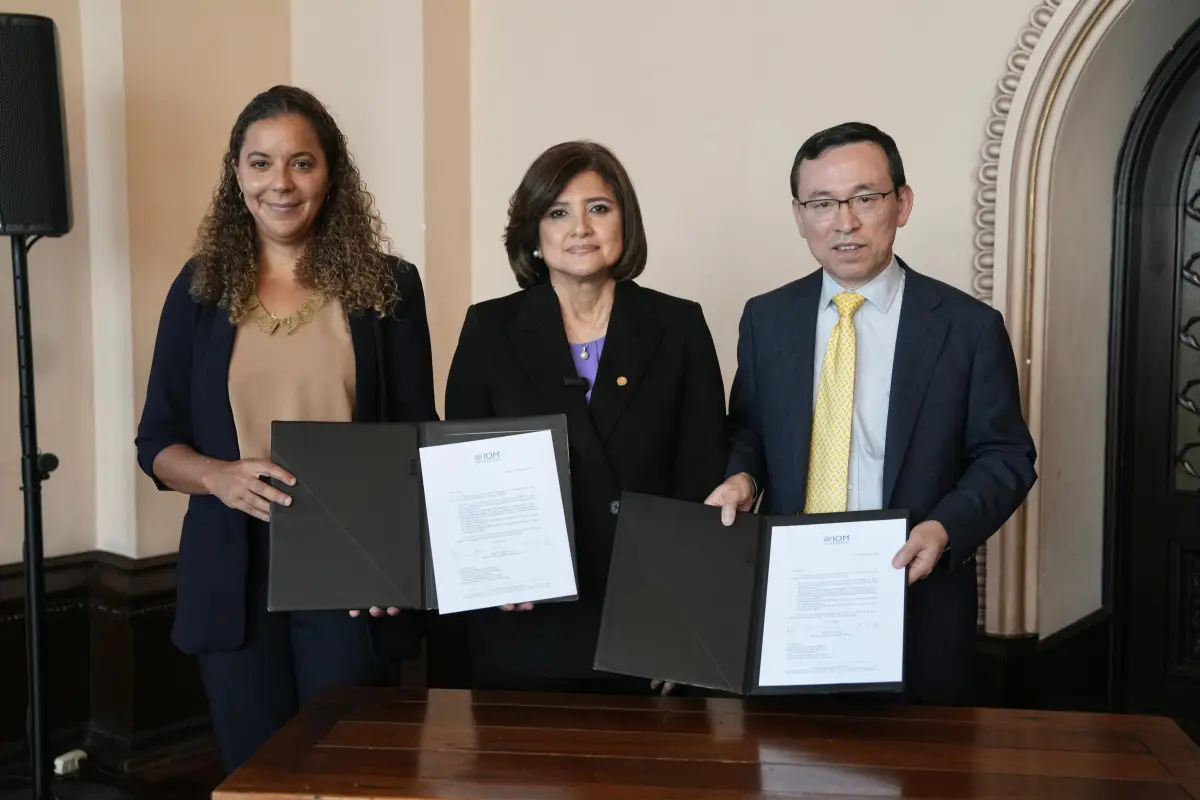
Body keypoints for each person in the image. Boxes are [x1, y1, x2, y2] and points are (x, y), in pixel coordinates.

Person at [134, 85, 437, 774]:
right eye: (261, 162)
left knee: (354, 774)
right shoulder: (199, 290)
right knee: (258, 772)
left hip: (354, 566)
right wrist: (216, 475)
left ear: (332, 174)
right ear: (236, 174)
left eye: (302, 163)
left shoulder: (387, 288)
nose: (281, 182)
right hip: (232, 572)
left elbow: (418, 437)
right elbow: (156, 444)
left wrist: (396, 558)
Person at [705, 122, 1037, 706]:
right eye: (823, 203)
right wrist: (742, 477)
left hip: (915, 598)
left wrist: (944, 529)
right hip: (791, 603)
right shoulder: (767, 319)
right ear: (799, 215)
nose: (845, 221)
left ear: (901, 203)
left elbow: (1006, 455)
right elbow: (749, 429)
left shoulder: (967, 328)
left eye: (865, 198)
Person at [440, 140, 727, 694]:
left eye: (599, 208)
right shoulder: (489, 330)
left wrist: (686, 630)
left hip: (646, 627)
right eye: (557, 212)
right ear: (534, 233)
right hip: (523, 622)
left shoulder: (679, 325)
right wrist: (487, 569)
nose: (580, 228)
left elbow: (701, 482)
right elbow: (462, 477)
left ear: (625, 222)